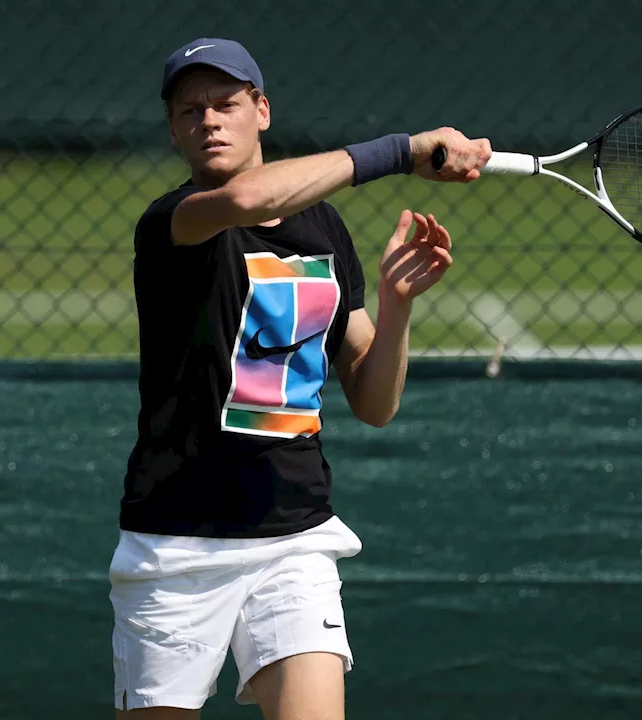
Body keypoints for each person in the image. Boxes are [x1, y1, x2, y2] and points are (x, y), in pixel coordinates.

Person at [109, 37, 492, 719]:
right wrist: (402, 151)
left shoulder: (323, 230)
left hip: (293, 539)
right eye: (189, 110)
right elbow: (251, 199)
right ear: (173, 130)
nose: (209, 121)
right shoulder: (174, 223)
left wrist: (396, 305)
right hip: (175, 547)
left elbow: (373, 402)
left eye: (226, 103)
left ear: (261, 109)